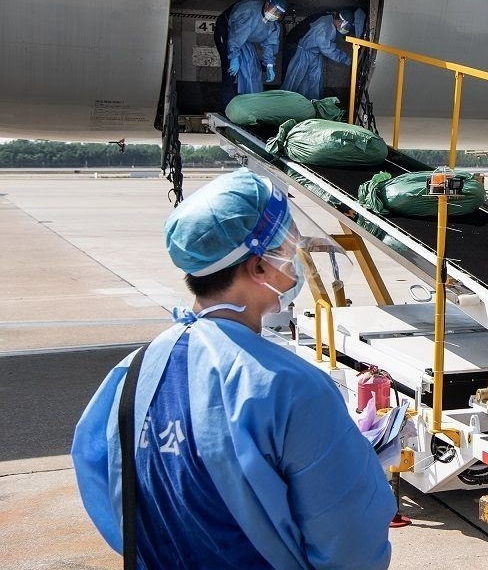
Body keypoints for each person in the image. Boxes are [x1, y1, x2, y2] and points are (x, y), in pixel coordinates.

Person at [72, 169, 394, 570]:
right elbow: (350, 539)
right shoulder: (291, 386)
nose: (295, 262)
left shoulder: (132, 372)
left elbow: (102, 481)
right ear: (258, 267)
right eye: (288, 249)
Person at [215, 0, 288, 105]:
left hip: (245, 38)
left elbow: (270, 44)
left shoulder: (274, 26)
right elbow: (236, 36)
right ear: (267, 4)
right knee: (230, 71)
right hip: (227, 29)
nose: (275, 14)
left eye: (279, 13)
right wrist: (234, 57)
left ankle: (247, 104)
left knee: (253, 68)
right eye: (274, 10)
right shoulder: (249, 12)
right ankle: (226, 107)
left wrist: (269, 65)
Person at [281, 8, 358, 100]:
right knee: (294, 80)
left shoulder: (329, 21)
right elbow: (327, 48)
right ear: (340, 21)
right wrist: (347, 60)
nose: (346, 29)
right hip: (304, 54)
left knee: (314, 82)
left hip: (315, 54)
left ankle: (310, 103)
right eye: (346, 26)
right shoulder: (324, 25)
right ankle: (284, 103)